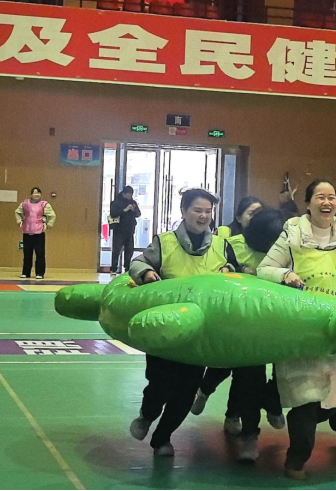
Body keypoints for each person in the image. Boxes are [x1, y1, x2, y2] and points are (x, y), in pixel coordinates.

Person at [128, 189, 247, 459]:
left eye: (208, 211)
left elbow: (237, 274)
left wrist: (230, 272)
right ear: (183, 211)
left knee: (186, 391)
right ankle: (147, 414)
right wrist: (147, 273)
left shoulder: (222, 246)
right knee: (159, 385)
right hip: (165, 330)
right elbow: (138, 263)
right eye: (197, 210)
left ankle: (162, 438)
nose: (203, 216)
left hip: (199, 334)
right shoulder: (164, 242)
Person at [258, 179, 336, 480]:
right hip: (300, 327)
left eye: (331, 197)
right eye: (320, 197)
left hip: (334, 328)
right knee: (305, 400)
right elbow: (264, 269)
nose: (327, 202)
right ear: (308, 203)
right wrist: (285, 274)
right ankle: (296, 461)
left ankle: (295, 404)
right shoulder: (292, 234)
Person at [191, 196, 269, 437]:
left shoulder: (272, 242)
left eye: (260, 213)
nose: (256, 218)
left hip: (257, 321)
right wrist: (241, 270)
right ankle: (204, 390)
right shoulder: (228, 240)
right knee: (223, 365)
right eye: (251, 213)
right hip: (229, 317)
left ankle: (233, 415)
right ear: (239, 217)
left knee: (246, 373)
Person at [15, 187, 56, 279]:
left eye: (38, 193)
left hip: (39, 233)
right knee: (27, 254)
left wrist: (48, 224)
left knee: (40, 254)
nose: (36, 195)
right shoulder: (24, 204)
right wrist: (19, 221)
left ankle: (40, 273)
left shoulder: (44, 204)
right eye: (34, 193)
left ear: (41, 195)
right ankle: (26, 273)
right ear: (31, 194)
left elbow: (52, 215)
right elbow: (17, 212)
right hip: (27, 231)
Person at [109, 186, 141, 275]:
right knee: (116, 250)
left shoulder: (133, 203)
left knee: (129, 250)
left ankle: (127, 268)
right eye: (128, 194)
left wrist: (133, 210)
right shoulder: (116, 202)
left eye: (131, 194)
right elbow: (113, 214)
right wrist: (125, 210)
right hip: (119, 230)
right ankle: (114, 268)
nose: (130, 196)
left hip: (130, 230)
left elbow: (138, 214)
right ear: (124, 193)